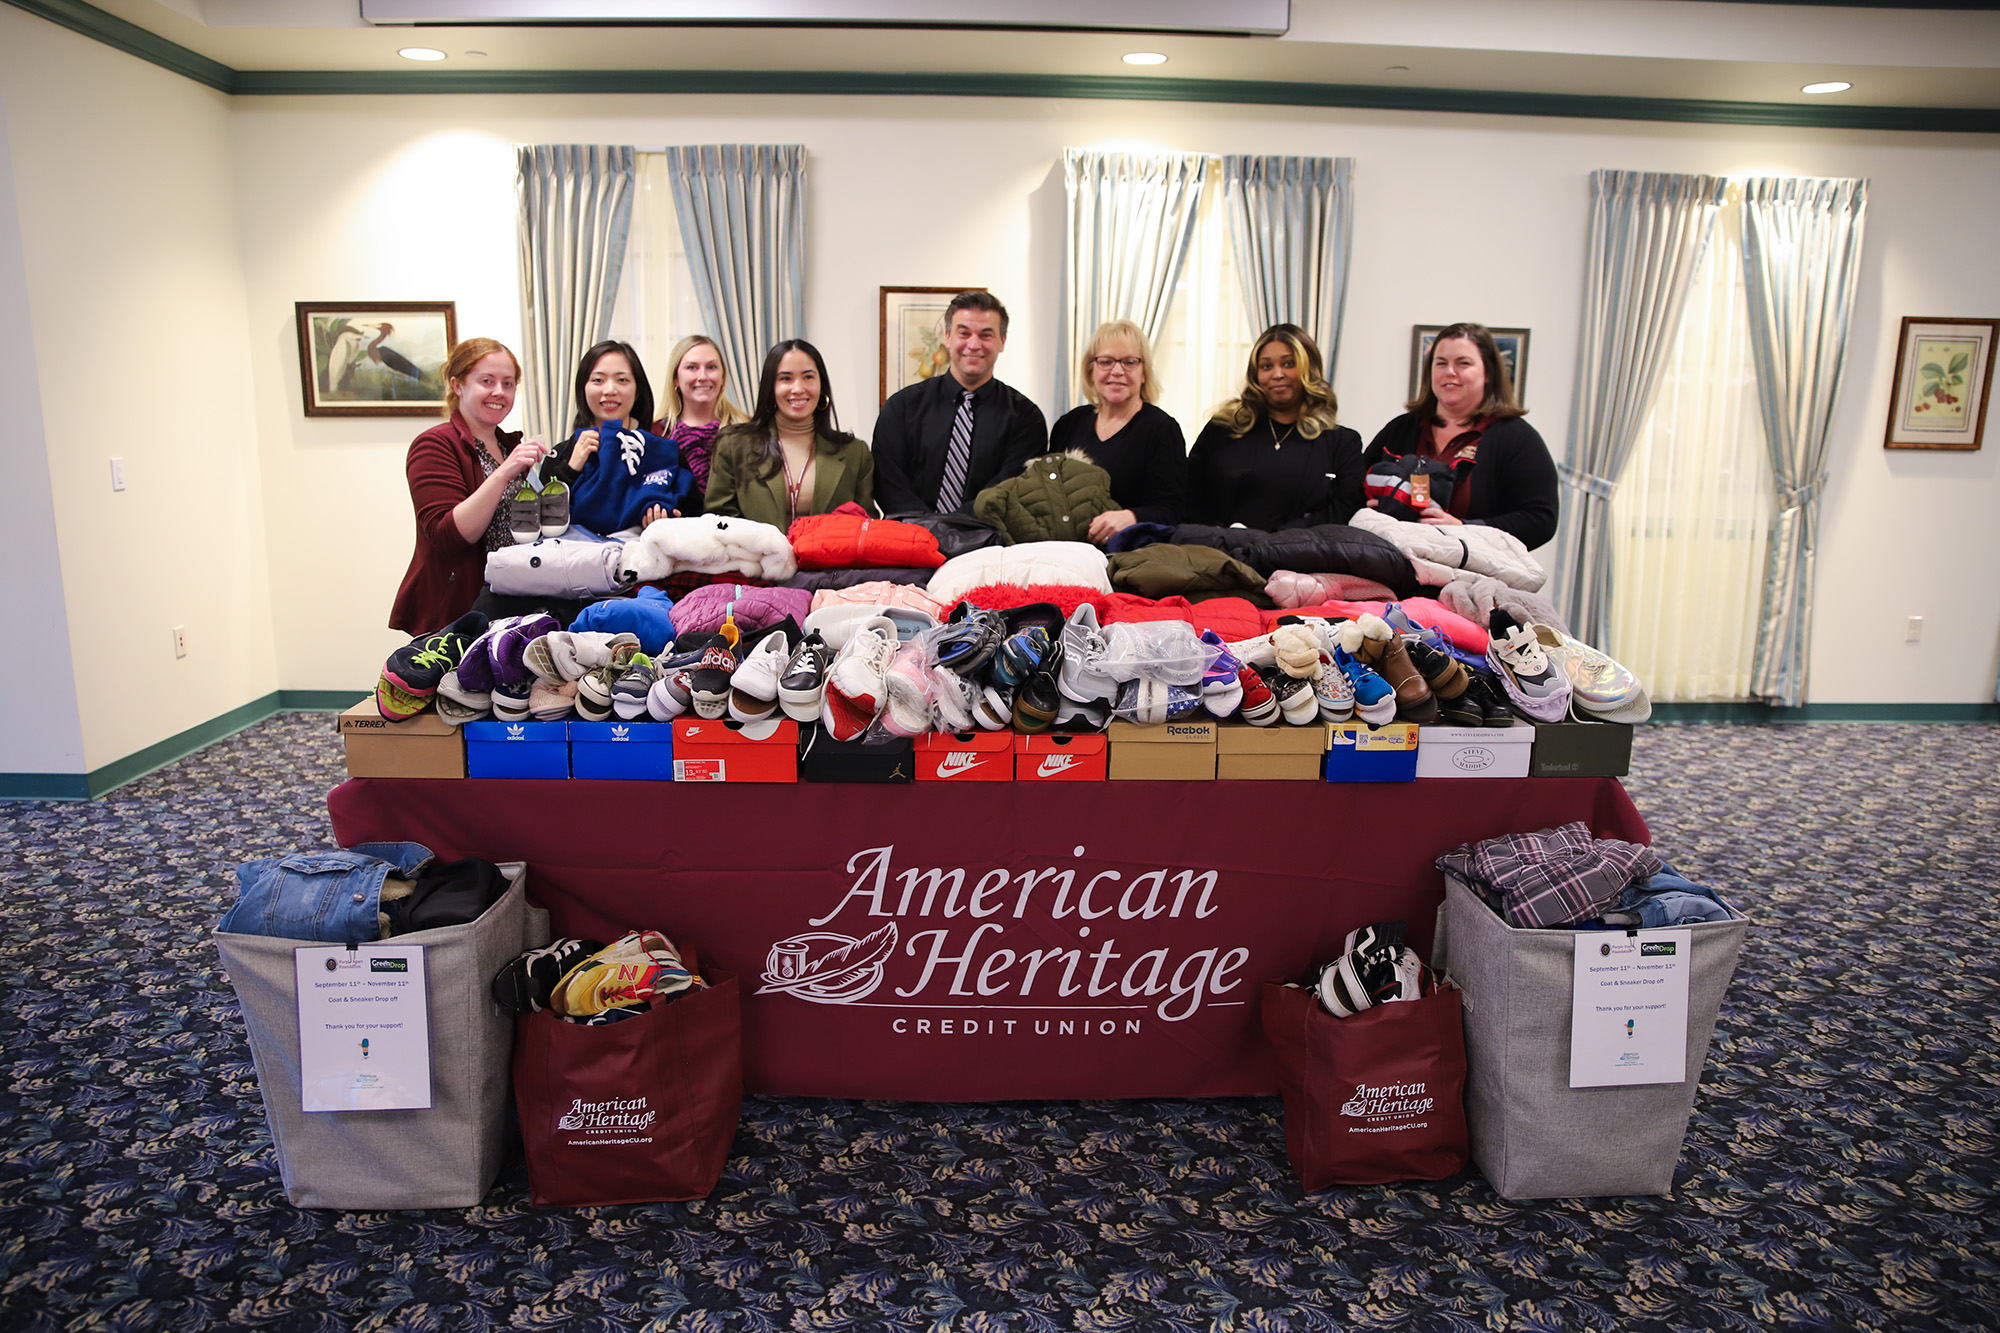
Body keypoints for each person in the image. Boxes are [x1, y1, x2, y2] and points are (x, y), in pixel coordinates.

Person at [390, 338, 545, 633]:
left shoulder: (508, 445)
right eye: (487, 381)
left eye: (508, 383)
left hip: (511, 607)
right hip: (460, 611)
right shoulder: (434, 445)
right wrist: (503, 474)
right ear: (458, 385)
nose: (499, 392)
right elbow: (447, 535)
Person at [1363, 321, 1559, 549]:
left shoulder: (1517, 438)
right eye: (1441, 363)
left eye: (1463, 363)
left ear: (1489, 373)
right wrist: (1372, 506)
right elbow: (1355, 485)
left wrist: (1465, 529)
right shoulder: (1400, 429)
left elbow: (1541, 520)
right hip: (1394, 568)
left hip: (1473, 575)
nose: (1450, 372)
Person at [871, 291, 1047, 515]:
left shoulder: (1026, 418)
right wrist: (930, 530)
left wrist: (957, 527)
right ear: (947, 337)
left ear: (1002, 341)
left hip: (990, 541)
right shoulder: (901, 407)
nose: (974, 345)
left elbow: (1010, 488)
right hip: (910, 538)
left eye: (986, 335)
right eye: (964, 333)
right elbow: (889, 483)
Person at [1185, 323, 1364, 531]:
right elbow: (1190, 491)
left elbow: (1343, 510)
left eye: (1289, 364)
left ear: (1309, 368)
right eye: (1267, 366)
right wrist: (1220, 535)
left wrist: (1276, 542)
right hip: (1219, 551)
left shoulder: (1342, 443)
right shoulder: (1223, 428)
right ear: (1255, 375)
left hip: (1298, 557)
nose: (1277, 374)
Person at [704, 339, 875, 527]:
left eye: (808, 377)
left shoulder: (855, 453)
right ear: (771, 387)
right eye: (786, 378)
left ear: (822, 385)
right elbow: (719, 520)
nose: (798, 389)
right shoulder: (733, 444)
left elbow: (866, 525)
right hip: (753, 555)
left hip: (827, 556)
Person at [1047, 318, 1188, 543]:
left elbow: (1174, 511)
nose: (1117, 371)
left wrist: (1131, 517)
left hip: (1128, 557)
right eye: (1106, 361)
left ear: (1144, 373)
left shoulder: (1161, 429)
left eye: (1130, 362)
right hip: (1067, 550)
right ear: (1091, 370)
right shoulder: (1068, 424)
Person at [545, 340, 694, 535]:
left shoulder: (663, 453)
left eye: (622, 380)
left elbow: (695, 518)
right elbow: (543, 521)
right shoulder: (561, 455)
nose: (610, 390)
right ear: (583, 387)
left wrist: (668, 523)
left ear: (637, 389)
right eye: (598, 380)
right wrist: (570, 470)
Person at [651, 334, 746, 513]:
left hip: (735, 534)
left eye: (711, 367)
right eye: (692, 368)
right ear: (675, 379)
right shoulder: (656, 434)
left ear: (723, 377)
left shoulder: (748, 430)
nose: (702, 376)